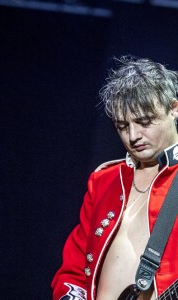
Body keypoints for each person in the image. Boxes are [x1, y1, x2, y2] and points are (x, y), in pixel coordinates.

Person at [51, 56, 178, 300]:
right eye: (122, 126)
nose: (133, 136)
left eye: (144, 122)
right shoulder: (105, 180)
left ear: (174, 109)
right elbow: (73, 272)